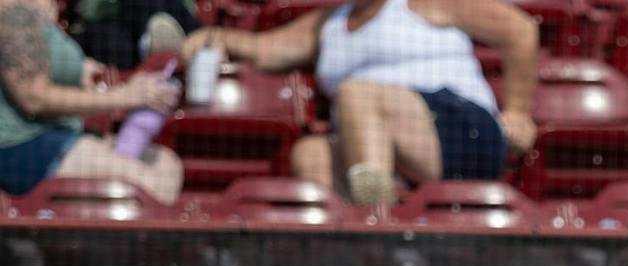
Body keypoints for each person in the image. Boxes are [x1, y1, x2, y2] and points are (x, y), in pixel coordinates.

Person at [179, 0, 538, 205]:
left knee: (357, 94)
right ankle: (357, 262)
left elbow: (520, 29)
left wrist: (519, 111)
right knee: (310, 154)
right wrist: (213, 35)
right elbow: (263, 49)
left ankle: (375, 216)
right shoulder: (328, 23)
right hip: (384, 145)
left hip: (463, 130)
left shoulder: (422, 2)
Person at [0, 0, 182, 201]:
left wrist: (81, 68)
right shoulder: (14, 10)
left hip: (57, 134)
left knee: (167, 165)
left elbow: (40, 64)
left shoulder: (39, 8)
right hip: (21, 147)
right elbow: (32, 97)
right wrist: (125, 96)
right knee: (151, 185)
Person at [69, 0, 197, 70]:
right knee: (115, 41)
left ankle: (151, 43)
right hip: (111, 22)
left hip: (167, 13)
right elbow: (90, 12)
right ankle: (149, 44)